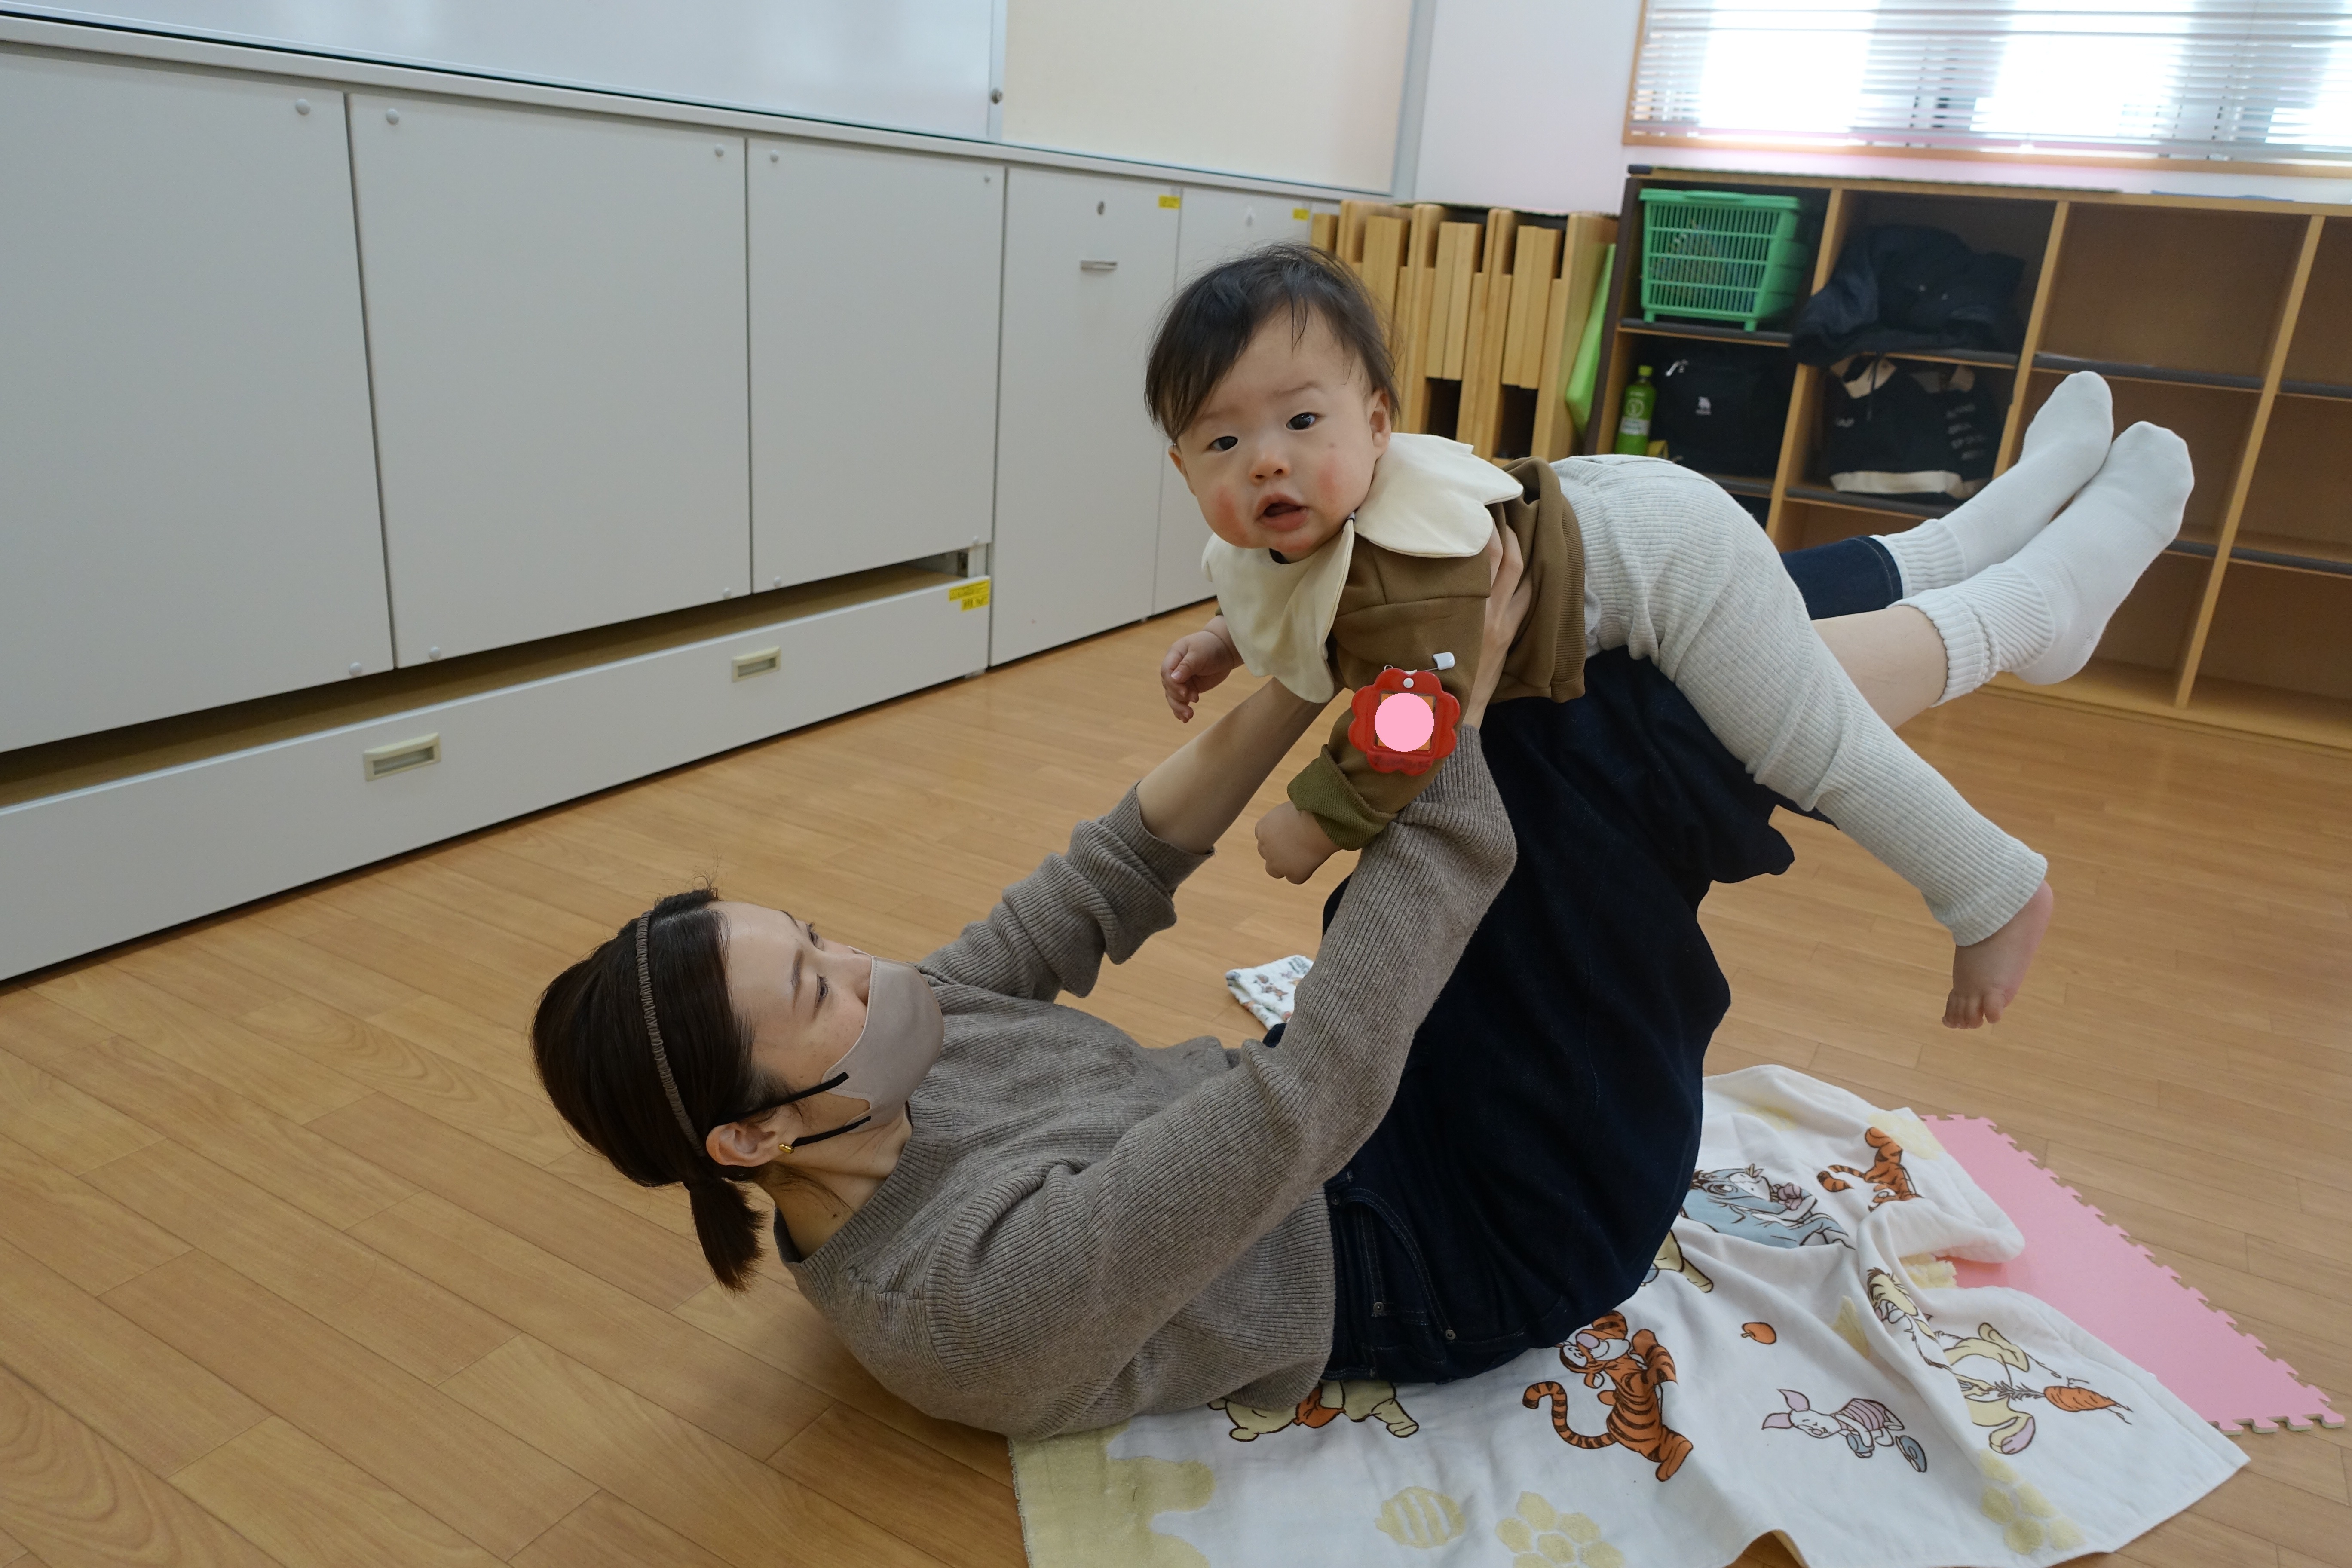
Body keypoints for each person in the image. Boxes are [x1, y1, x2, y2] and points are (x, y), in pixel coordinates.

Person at [529, 501, 2167, 1440]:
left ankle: (1957, 561)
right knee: (1577, 744)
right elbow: (1311, 1092)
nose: (866, 966)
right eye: (814, 987)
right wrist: (1432, 708)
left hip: (1377, 1125)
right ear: (750, 1134)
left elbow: (1108, 874)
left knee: (1568, 648)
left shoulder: (888, 1062)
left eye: (817, 934)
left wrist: (1310, 662)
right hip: (1488, 1231)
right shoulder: (962, 1302)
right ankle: (2013, 605)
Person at [1148, 245, 2189, 1026]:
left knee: (1809, 742)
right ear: (1184, 468)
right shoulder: (1307, 519)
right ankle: (2000, 529)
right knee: (1803, 684)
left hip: (1674, 571)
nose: (1267, 462)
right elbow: (1290, 586)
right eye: (1224, 441)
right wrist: (1229, 638)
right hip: (1614, 511)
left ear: (1378, 424)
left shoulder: (1404, 575)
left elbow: (1417, 713)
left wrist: (1318, 819)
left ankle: (1993, 888)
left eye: (1301, 423)